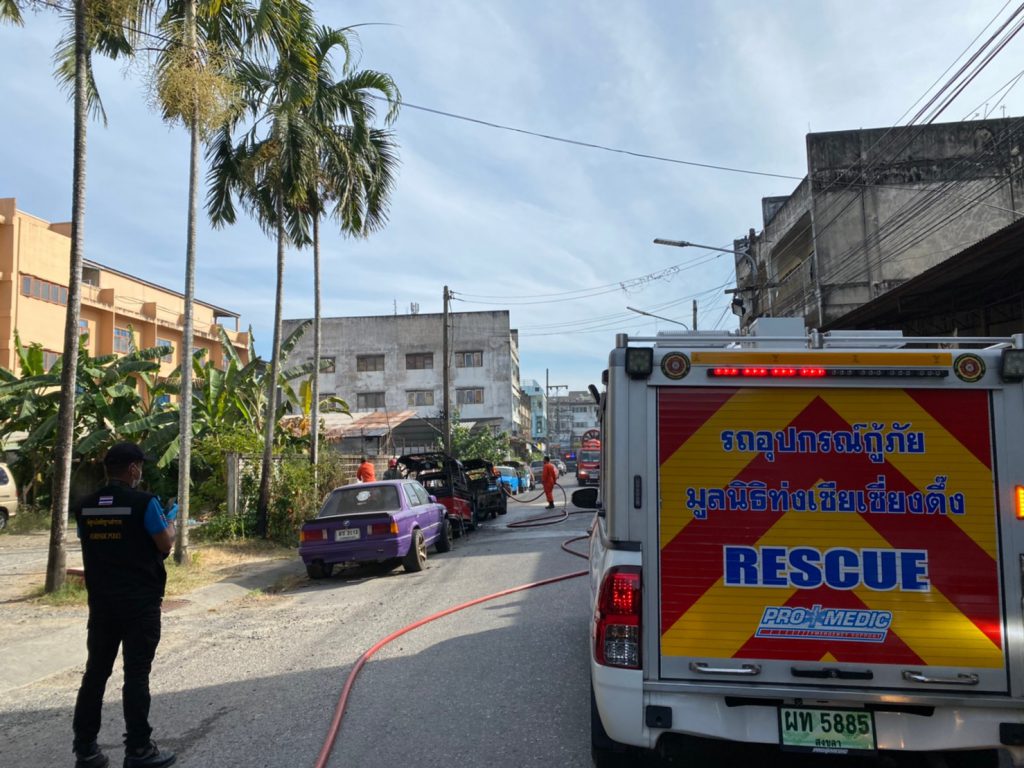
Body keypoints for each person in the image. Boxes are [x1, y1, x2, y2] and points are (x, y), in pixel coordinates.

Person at [71, 443, 177, 768]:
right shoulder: (145, 503)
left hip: (102, 605)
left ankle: (86, 749)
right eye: (139, 466)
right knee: (136, 675)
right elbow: (165, 543)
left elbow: (94, 542)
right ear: (132, 469)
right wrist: (169, 519)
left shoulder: (85, 506)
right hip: (139, 605)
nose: (140, 471)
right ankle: (139, 750)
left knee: (95, 675)